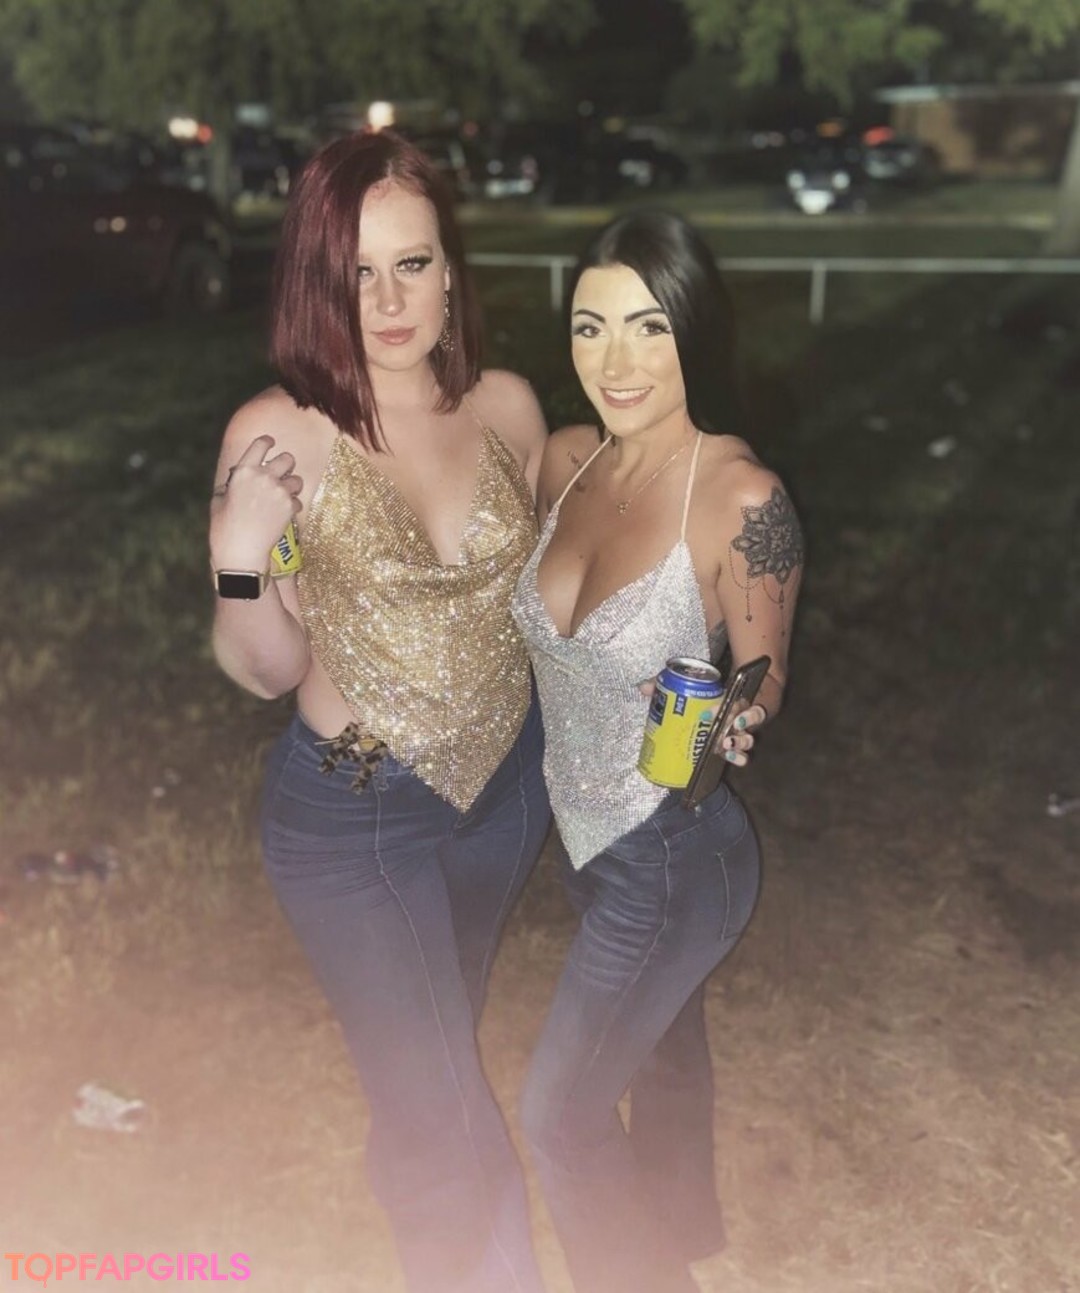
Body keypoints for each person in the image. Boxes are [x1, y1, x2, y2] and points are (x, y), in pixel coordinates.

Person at [208, 130, 551, 1293]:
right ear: (318, 280)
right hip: (356, 817)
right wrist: (241, 563)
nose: (391, 301)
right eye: (358, 273)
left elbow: (537, 605)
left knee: (435, 1056)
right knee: (445, 1108)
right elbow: (262, 670)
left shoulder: (509, 408)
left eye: (413, 263)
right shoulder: (281, 434)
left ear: (452, 268)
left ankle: (418, 1173)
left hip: (502, 796)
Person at [511, 210, 804, 1293]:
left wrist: (729, 715)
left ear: (695, 329)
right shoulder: (567, 459)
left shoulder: (742, 496)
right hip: (581, 837)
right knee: (663, 1041)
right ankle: (675, 1232)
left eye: (648, 326)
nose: (617, 361)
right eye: (591, 328)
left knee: (561, 1114)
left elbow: (764, 672)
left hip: (675, 853)